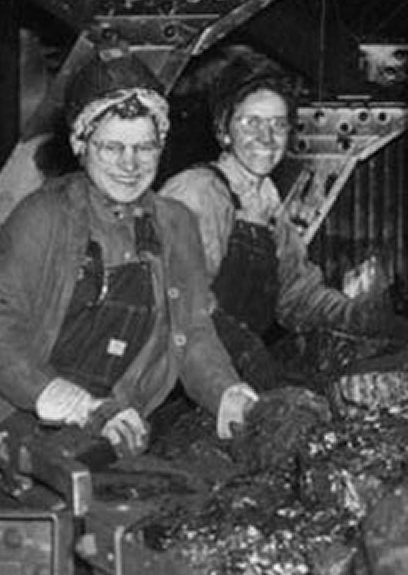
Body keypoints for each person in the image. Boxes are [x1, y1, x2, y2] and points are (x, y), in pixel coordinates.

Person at [0, 41, 258, 466]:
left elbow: (192, 335)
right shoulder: (43, 215)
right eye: (111, 147)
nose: (129, 163)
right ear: (81, 145)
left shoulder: (176, 225)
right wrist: (66, 400)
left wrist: (228, 393)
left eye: (144, 147)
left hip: (91, 425)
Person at [158, 64, 390, 387]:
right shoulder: (198, 193)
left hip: (226, 374)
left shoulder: (267, 206)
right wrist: (243, 349)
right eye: (251, 122)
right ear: (224, 130)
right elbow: (178, 301)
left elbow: (297, 295)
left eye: (278, 125)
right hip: (177, 381)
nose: (266, 137)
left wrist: (357, 316)